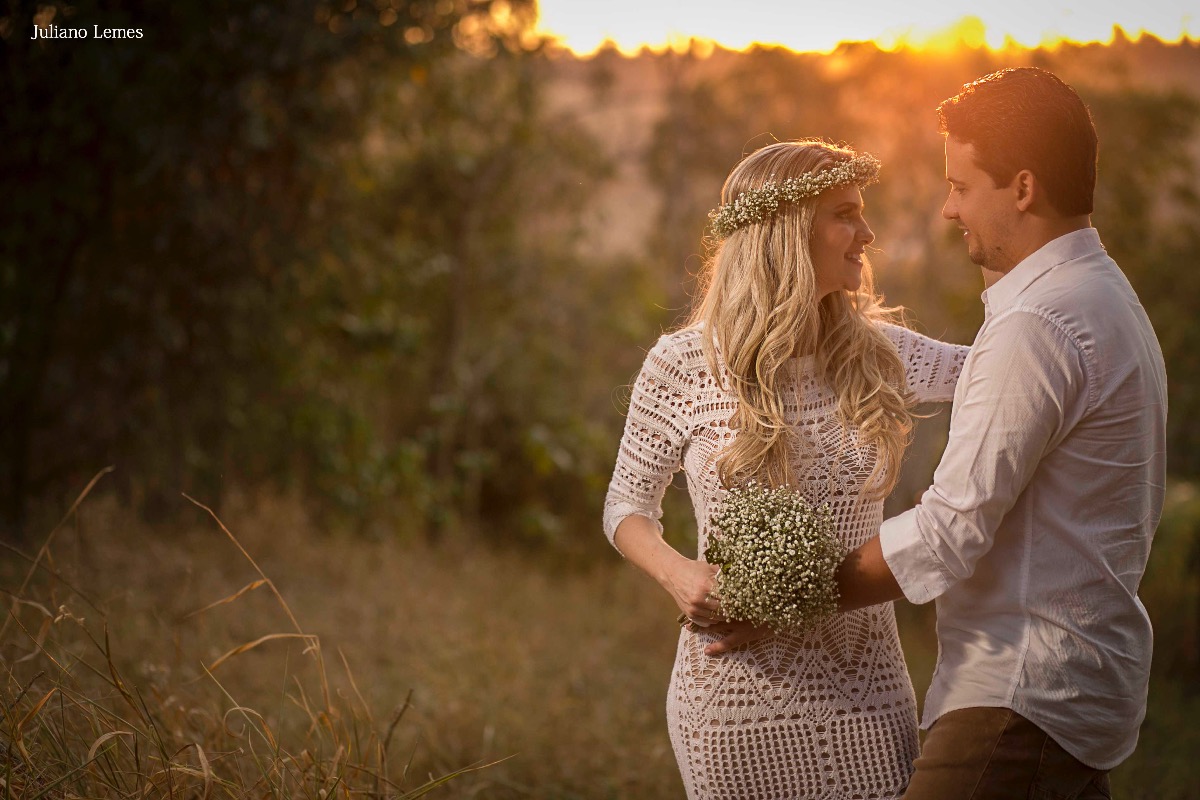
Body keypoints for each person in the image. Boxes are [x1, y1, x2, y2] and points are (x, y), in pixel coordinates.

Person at [712, 69, 1168, 799]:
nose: (949, 209)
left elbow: (951, 529)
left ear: (1021, 188)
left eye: (961, 185)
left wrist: (783, 598)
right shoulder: (1105, 297)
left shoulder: (1037, 326)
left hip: (1020, 701)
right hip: (1068, 693)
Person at [603, 139, 969, 799]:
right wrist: (679, 575)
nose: (868, 233)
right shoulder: (682, 364)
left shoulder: (883, 354)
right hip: (729, 703)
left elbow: (1011, 376)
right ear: (785, 234)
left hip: (867, 693)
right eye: (846, 214)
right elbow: (626, 508)